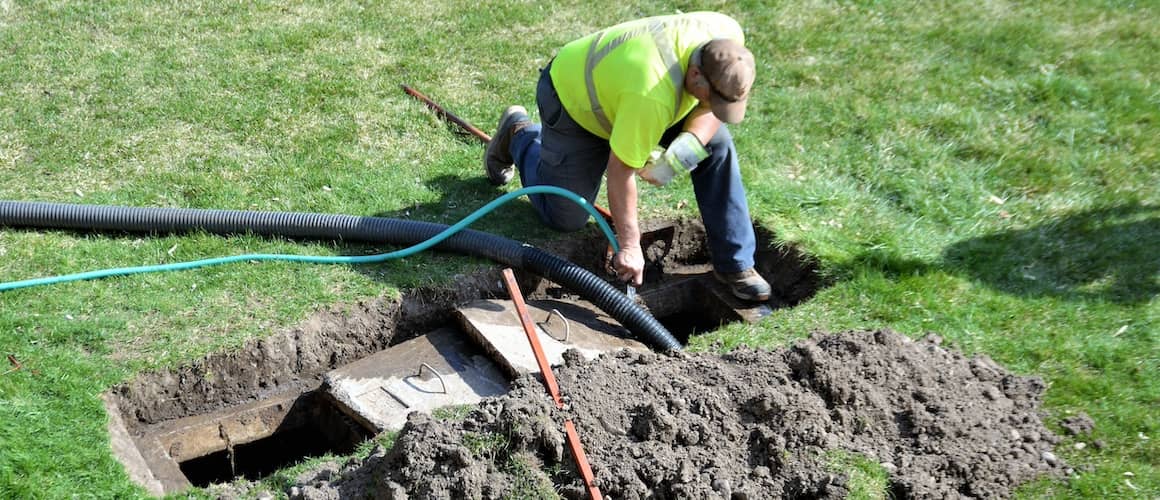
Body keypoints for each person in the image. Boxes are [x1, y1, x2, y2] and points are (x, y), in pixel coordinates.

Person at [483, 11, 771, 302]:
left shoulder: (727, 38)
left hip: (626, 93)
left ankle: (735, 264)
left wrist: (680, 156)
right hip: (575, 102)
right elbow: (620, 172)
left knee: (717, 145)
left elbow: (709, 113)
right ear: (695, 74)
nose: (714, 106)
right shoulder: (650, 93)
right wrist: (631, 246)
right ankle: (520, 135)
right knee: (565, 216)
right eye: (713, 98)